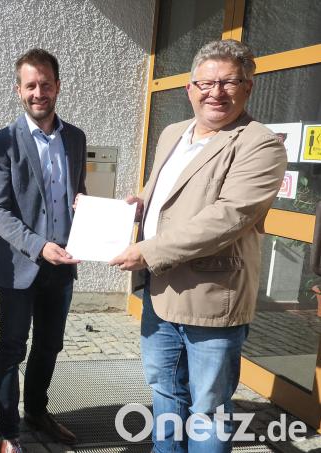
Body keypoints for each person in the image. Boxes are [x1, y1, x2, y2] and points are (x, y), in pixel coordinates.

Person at [109, 40, 287, 453]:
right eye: (206, 82)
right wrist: (134, 207)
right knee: (165, 393)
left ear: (248, 87)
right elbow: (160, 193)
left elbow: (228, 218)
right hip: (160, 290)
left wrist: (148, 251)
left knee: (208, 410)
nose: (216, 92)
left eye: (228, 82)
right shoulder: (174, 132)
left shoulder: (259, 143)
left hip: (211, 299)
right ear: (189, 89)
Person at [0, 48, 87, 453]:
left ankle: (37, 412)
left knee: (50, 344)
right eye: (30, 85)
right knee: (12, 345)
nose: (38, 92)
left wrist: (91, 214)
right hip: (20, 265)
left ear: (57, 86)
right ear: (18, 90)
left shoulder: (75, 138)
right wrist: (39, 246)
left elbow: (77, 194)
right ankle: (8, 430)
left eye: (45, 83)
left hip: (63, 265)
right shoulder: (1, 142)